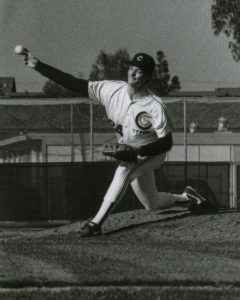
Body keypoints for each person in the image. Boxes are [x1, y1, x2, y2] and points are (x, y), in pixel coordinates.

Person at [20, 49, 215, 237]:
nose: (132, 72)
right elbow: (74, 84)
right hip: (131, 151)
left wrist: (138, 151)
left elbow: (166, 142)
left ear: (147, 77)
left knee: (124, 170)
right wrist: (39, 66)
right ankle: (188, 197)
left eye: (138, 71)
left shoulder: (155, 105)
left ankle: (96, 224)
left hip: (152, 152)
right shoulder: (111, 90)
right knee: (152, 203)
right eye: (131, 67)